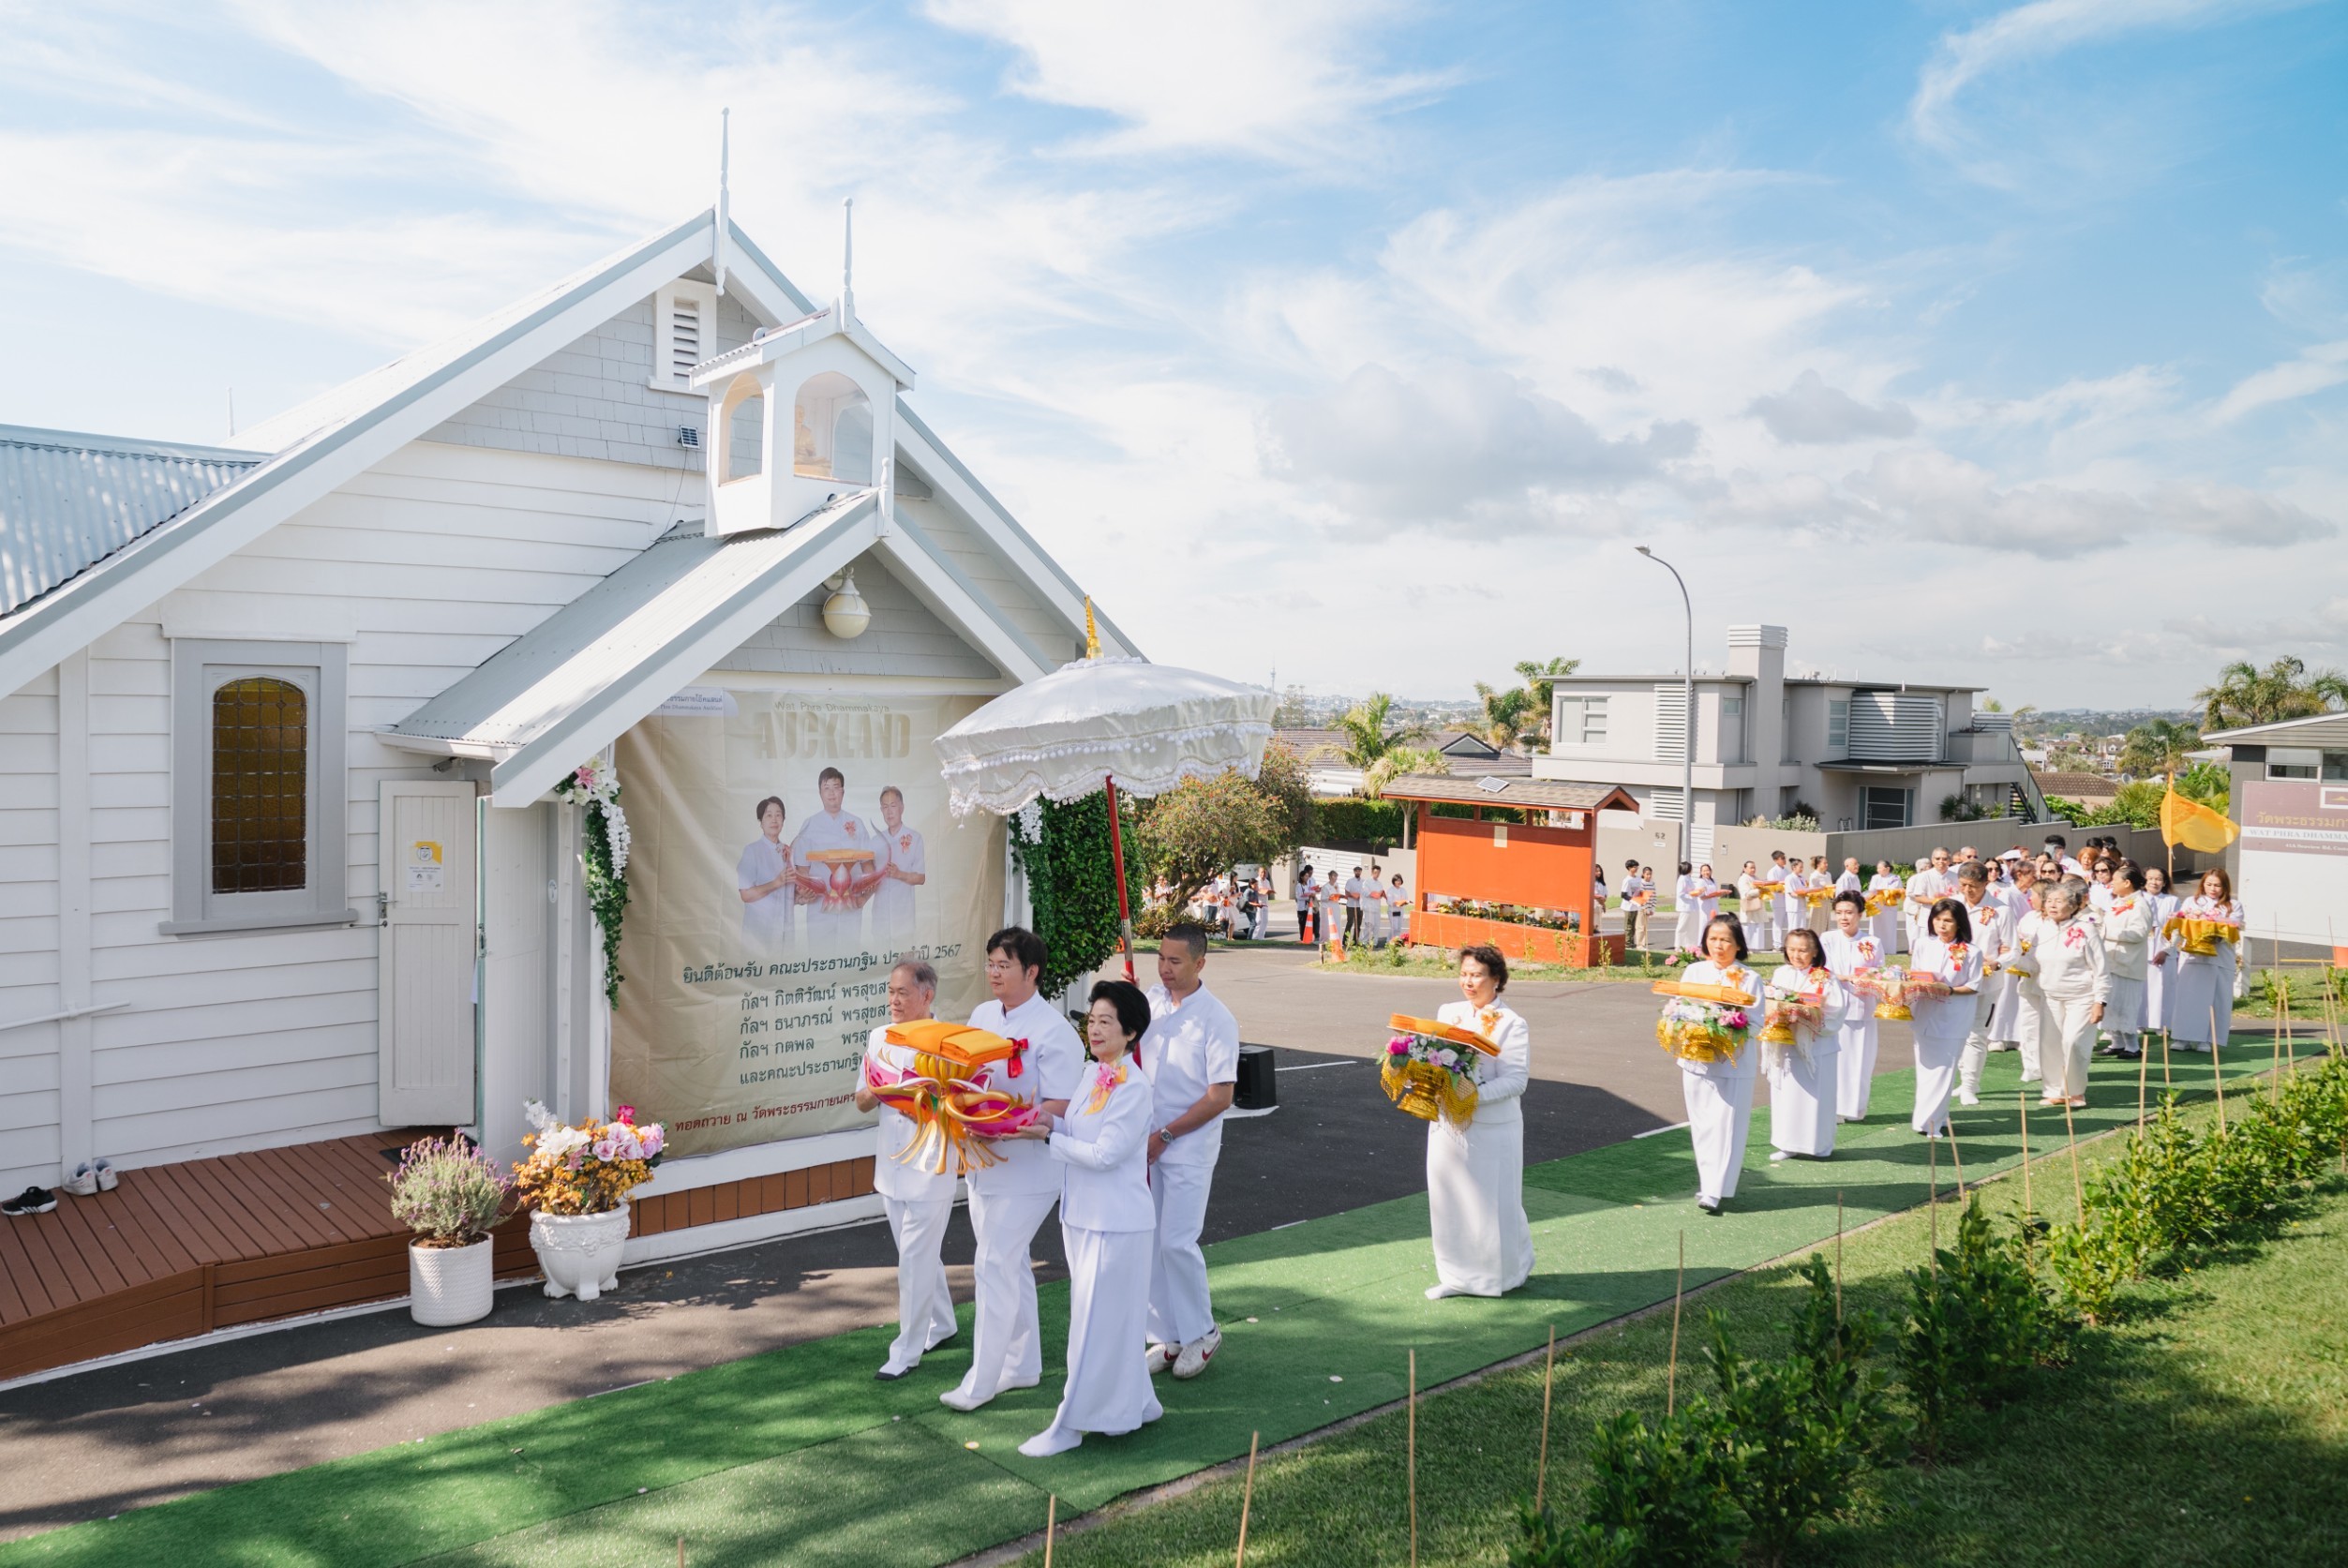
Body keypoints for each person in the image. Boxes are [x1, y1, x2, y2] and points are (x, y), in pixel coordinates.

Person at [1010, 978, 1161, 1457]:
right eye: (1091, 1020)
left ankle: (1070, 1424)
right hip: (1082, 1216)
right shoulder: (1090, 1073)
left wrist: (1047, 1140)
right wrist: (1048, 1121)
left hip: (1116, 1223)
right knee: (1106, 1321)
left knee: (1095, 1327)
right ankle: (1136, 1403)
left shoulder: (1134, 1087)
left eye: (1105, 1022)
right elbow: (1075, 1126)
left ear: (1131, 1032)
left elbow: (1105, 1154)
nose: (1094, 1030)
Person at [943, 929, 1084, 1413]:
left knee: (993, 1263)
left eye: (1004, 964)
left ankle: (982, 1379)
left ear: (1032, 972)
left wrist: (1002, 1124)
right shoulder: (983, 1015)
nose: (994, 972)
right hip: (985, 1164)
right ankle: (1023, 1364)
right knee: (1010, 1260)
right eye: (991, 963)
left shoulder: (1054, 1031)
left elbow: (1062, 1105)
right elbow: (963, 1074)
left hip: (1031, 1170)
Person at [1139, 925, 1239, 1379]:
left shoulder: (1217, 1019)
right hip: (1147, 1144)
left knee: (1177, 1240)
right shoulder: (1152, 1003)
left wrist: (1167, 1136)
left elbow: (1220, 1097)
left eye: (1175, 961)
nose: (1165, 968)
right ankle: (1168, 1335)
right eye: (1161, 958)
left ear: (1200, 963)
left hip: (1185, 1146)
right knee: (1151, 1239)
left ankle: (1203, 1331)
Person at [856, 960, 958, 1380]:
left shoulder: (949, 1042)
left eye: (903, 993)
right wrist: (882, 1089)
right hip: (890, 1167)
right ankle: (944, 1323)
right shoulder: (879, 1036)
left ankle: (905, 1352)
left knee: (914, 1261)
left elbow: (953, 1108)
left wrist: (914, 1096)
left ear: (927, 996)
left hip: (929, 1167)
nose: (894, 1001)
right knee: (916, 1254)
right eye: (891, 992)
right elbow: (861, 1099)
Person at [1426, 945, 1533, 1296]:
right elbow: (1434, 1058)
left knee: (1492, 1204)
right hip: (1447, 1126)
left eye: (1476, 975)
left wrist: (1470, 1097)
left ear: (1496, 980)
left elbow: (1516, 1080)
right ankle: (1456, 1276)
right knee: (1449, 1202)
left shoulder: (1513, 1023)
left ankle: (1502, 1275)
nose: (1468, 982)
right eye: (1464, 974)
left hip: (1492, 1127)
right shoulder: (1448, 1011)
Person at [1679, 917, 1764, 1214]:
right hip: (1696, 1061)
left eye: (1726, 939)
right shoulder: (1694, 970)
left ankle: (1716, 1190)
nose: (1719, 945)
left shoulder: (1749, 978)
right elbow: (1679, 1009)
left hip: (1733, 1064)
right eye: (1713, 938)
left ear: (1738, 944)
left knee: (1726, 1126)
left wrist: (1728, 1035)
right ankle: (1707, 1183)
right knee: (1702, 1126)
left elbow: (1756, 1023)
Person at [2013, 879, 2106, 1109]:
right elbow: (2032, 964)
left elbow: (2101, 969)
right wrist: (2010, 956)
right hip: (2050, 996)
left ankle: (2075, 1091)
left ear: (2073, 905)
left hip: (2082, 997)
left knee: (2073, 1042)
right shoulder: (2042, 929)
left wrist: (2100, 1001)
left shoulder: (2086, 930)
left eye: (2059, 901)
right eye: (2049, 901)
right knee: (2050, 1044)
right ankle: (2054, 1090)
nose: (2052, 905)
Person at [1763, 927, 1842, 1161]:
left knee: (1818, 1097)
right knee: (1786, 1095)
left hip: (1817, 1047)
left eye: (1803, 950)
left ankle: (1820, 1144)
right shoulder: (1781, 973)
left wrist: (1810, 1018)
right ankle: (1787, 1143)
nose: (1797, 955)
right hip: (1786, 1044)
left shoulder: (1826, 977)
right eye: (1792, 949)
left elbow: (1836, 1012)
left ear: (1815, 951)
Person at [1907, 899, 1984, 1138]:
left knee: (1944, 1070)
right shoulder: (1923, 944)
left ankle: (1933, 1123)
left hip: (1953, 1015)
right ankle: (1928, 1118)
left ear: (1959, 923)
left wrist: (1948, 990)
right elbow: (1915, 974)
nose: (1942, 924)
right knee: (1926, 1069)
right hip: (1925, 1012)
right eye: (1938, 919)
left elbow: (1974, 985)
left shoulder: (1972, 952)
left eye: (1948, 920)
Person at [791, 767, 879, 952]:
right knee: (820, 959)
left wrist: (864, 898)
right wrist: (804, 893)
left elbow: (869, 867)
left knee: (849, 957)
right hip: (820, 907)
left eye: (836, 787)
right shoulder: (810, 825)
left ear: (843, 792)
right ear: (820, 793)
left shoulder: (857, 823)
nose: (832, 793)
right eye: (827, 788)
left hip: (850, 907)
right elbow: (802, 870)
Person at [1952, 862, 2012, 1107]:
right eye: (1963, 885)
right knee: (1957, 1034)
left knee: (1977, 1034)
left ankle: (1969, 1085)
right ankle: (1965, 1077)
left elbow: (2013, 950)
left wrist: (1996, 962)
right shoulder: (1953, 906)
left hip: (1987, 982)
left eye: (1973, 887)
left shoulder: (2001, 910)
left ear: (1986, 884)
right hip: (1956, 980)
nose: (1968, 891)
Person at [1822, 890, 1885, 1122]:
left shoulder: (1872, 942)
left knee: (1861, 1060)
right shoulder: (1827, 939)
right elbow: (1823, 972)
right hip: (1835, 1008)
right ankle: (1836, 1107)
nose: (1844, 917)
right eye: (1839, 913)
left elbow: (1880, 972)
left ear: (1860, 913)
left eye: (1849, 912)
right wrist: (1846, 978)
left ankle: (1856, 1107)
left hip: (1863, 1007)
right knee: (1837, 1060)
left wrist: (1870, 978)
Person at [2168, 868, 2243, 1053]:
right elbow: (2182, 922)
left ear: (2225, 886)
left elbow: (2235, 926)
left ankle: (2206, 1039)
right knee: (2188, 998)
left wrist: (2217, 927)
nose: (2213, 889)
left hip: (2219, 958)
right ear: (2203, 884)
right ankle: (2182, 1037)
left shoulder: (2233, 905)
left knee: (2214, 1000)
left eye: (2217, 885)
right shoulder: (2192, 902)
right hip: (2194, 957)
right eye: (2209, 884)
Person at [2097, 860, 2153, 1061]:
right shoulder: (2117, 902)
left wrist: (2107, 932)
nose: (2111, 883)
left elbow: (2139, 933)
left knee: (2125, 1005)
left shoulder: (2140, 905)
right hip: (2112, 960)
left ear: (2127, 883)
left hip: (2128, 964)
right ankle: (2117, 1042)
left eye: (2115, 880)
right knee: (2111, 1004)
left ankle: (2133, 1045)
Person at [737, 796, 796, 953]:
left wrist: (803, 898)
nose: (774, 819)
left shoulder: (788, 852)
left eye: (778, 815)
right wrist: (776, 883)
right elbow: (746, 895)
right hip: (759, 934)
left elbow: (786, 896)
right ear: (761, 822)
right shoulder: (752, 851)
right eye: (768, 815)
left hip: (785, 933)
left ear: (783, 820)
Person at [871, 785, 925, 952]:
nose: (889, 812)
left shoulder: (914, 838)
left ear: (902, 807)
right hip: (880, 915)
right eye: (885, 807)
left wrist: (899, 874)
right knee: (880, 962)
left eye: (893, 806)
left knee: (905, 966)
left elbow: (921, 878)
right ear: (881, 810)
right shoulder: (875, 841)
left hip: (903, 917)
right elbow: (869, 876)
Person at [2142, 865, 2180, 1043]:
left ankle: (2161, 1024)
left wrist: (2166, 950)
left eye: (2158, 879)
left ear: (2164, 882)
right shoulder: (2138, 898)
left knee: (2162, 988)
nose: (2154, 882)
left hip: (2162, 949)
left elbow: (2176, 929)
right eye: (2150, 878)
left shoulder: (2171, 900)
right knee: (2142, 989)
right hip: (2142, 950)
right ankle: (2139, 1022)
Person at [1866, 860, 1904, 954]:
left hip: (1890, 906)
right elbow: (1872, 891)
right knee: (1876, 927)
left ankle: (1889, 950)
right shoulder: (1875, 878)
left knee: (1889, 928)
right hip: (1877, 905)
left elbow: (1899, 892)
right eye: (1877, 868)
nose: (1878, 870)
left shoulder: (1895, 878)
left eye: (1880, 868)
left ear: (1887, 868)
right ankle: (1875, 949)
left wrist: (1893, 893)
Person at [1735, 861, 1767, 955]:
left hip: (1757, 906)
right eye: (1751, 868)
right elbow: (1745, 894)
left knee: (1757, 927)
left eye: (1754, 867)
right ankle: (1747, 948)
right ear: (1745, 869)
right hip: (1749, 906)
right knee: (1748, 928)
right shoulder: (1743, 879)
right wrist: (1758, 891)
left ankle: (1756, 948)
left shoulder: (1756, 878)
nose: (1753, 869)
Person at [1672, 862, 1702, 953]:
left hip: (1692, 907)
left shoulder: (1688, 878)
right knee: (1682, 926)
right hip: (1685, 906)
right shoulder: (1682, 879)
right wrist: (1692, 895)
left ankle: (1690, 945)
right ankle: (1678, 945)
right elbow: (1681, 894)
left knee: (1692, 927)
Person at [1620, 860, 1650, 949]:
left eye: (1637, 867)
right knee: (1628, 926)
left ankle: (1631, 942)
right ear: (1629, 868)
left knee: (1634, 926)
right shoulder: (1627, 880)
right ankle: (1627, 943)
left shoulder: (1638, 879)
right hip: (1628, 906)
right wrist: (1633, 900)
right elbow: (1623, 895)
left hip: (1636, 906)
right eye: (1634, 867)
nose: (1636, 868)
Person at [1343, 867, 1367, 944]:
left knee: (1358, 924)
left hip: (1359, 905)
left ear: (1361, 872)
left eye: (1359, 871)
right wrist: (1353, 895)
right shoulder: (1350, 881)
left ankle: (1355, 940)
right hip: (1351, 905)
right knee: (1350, 922)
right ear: (1354, 872)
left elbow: (1365, 893)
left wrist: (1360, 896)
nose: (1358, 872)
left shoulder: (1364, 882)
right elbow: (1347, 893)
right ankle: (1345, 940)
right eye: (1356, 871)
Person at [1295, 868, 1318, 945]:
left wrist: (1312, 894)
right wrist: (1307, 897)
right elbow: (1298, 897)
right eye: (1305, 876)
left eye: (1308, 876)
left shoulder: (1307, 885)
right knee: (1302, 923)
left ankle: (1307, 938)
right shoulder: (1299, 885)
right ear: (1301, 877)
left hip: (1307, 907)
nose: (1307, 878)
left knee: (1307, 923)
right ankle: (1302, 938)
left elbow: (1308, 893)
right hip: (1301, 907)